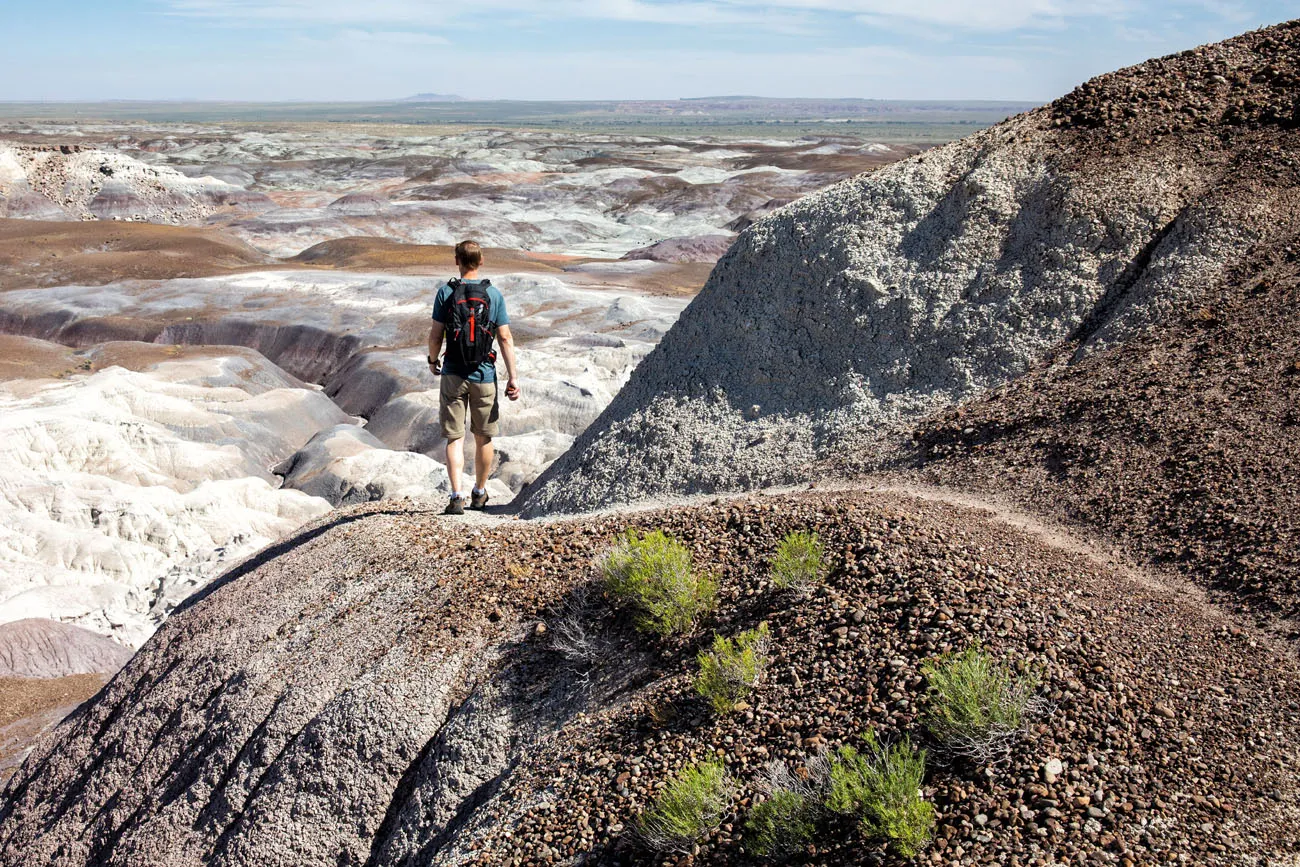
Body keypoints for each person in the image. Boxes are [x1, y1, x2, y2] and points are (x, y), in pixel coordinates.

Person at [427, 240, 520, 515]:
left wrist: (433, 361)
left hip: (453, 373)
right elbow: (504, 337)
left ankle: (457, 495)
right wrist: (512, 377)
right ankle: (479, 493)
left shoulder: (446, 293)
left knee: (454, 438)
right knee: (484, 438)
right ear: (481, 261)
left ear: (456, 261)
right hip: (484, 374)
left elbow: (435, 335)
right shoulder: (494, 295)